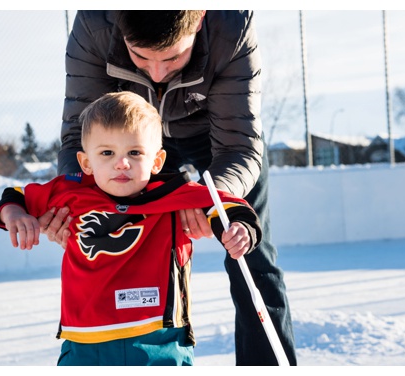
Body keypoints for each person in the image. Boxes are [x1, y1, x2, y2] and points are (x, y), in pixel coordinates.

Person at [39, 11, 297, 365]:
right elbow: (79, 140)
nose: (157, 73)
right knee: (136, 246)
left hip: (220, 141)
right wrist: (71, 204)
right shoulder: (95, 24)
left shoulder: (230, 27)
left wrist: (210, 203)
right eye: (140, 56)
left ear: (200, 19)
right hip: (135, 148)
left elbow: (238, 147)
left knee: (250, 255)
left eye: (173, 56)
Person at [0, 92, 262, 366]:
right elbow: (16, 195)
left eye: (134, 152)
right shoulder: (70, 192)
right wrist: (15, 213)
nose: (122, 163)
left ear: (156, 161)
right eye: (107, 152)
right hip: (85, 339)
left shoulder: (174, 194)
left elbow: (226, 205)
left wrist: (240, 227)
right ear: (86, 163)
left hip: (160, 338)